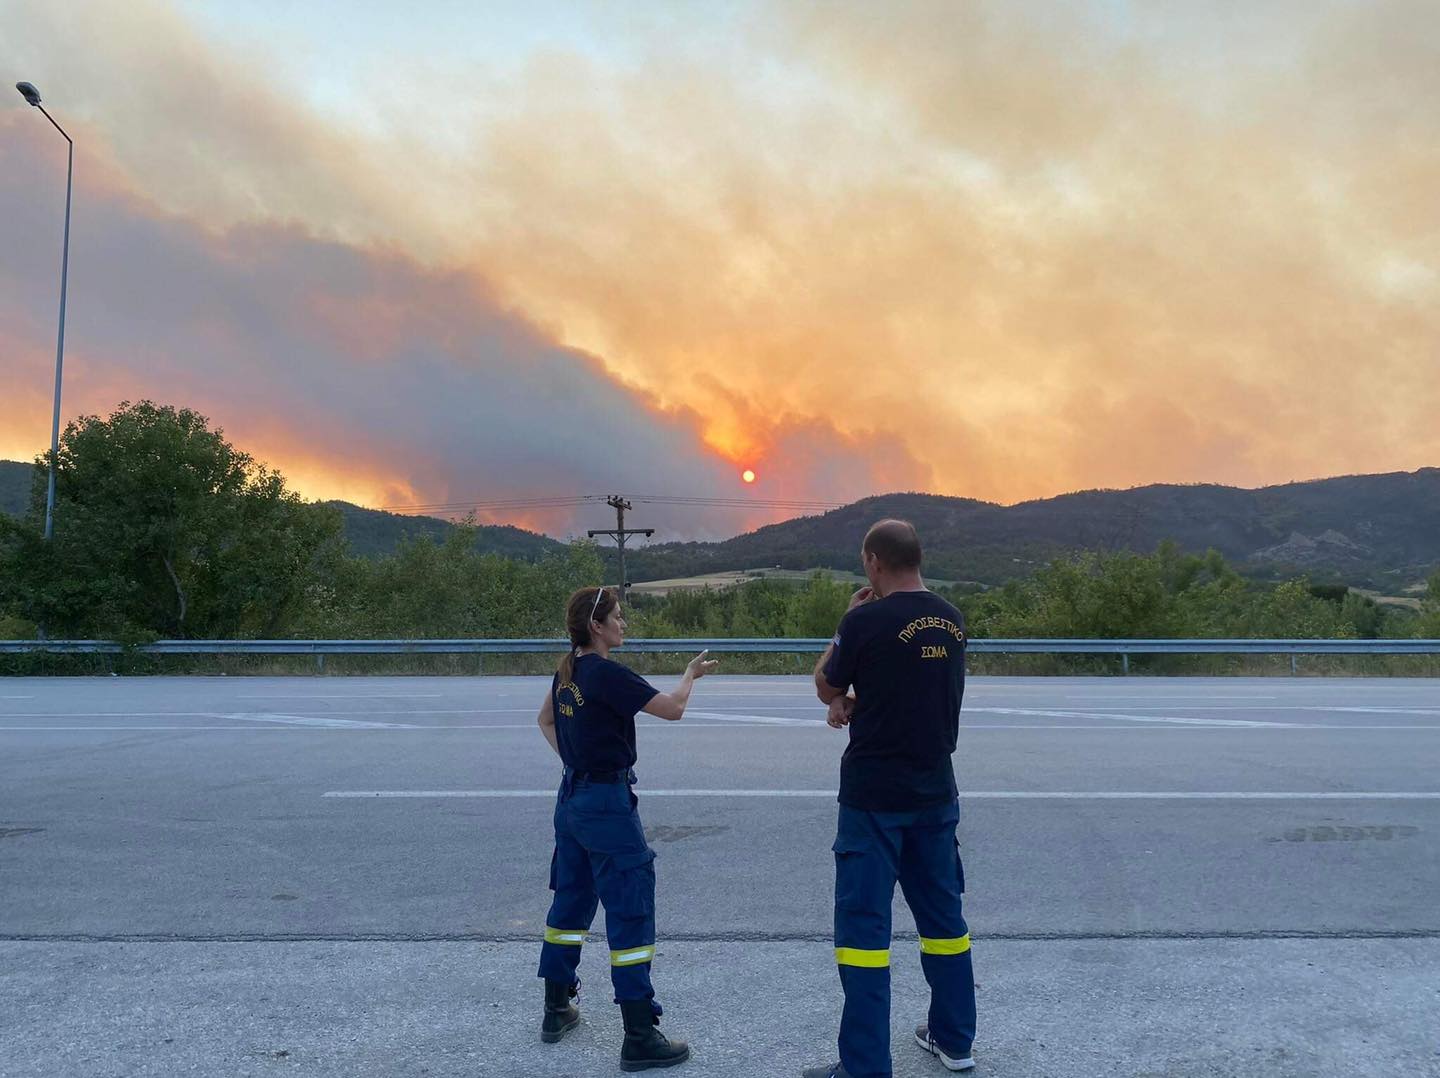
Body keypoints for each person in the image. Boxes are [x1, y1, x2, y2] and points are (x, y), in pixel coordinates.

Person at [802, 520, 977, 1078]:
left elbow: (825, 685)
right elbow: (912, 690)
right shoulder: (952, 619)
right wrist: (862, 700)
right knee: (945, 923)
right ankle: (954, 1040)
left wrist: (846, 626)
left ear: (874, 561)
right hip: (934, 791)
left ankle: (864, 1067)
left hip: (874, 798)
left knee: (864, 937)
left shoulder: (866, 620)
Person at [535, 584, 717, 1072]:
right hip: (605, 804)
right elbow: (673, 708)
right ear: (597, 626)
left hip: (572, 798)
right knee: (631, 911)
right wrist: (689, 675)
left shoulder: (568, 669)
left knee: (571, 900)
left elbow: (545, 720)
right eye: (617, 616)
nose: (624, 624)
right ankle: (639, 1034)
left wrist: (576, 764)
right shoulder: (607, 674)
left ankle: (556, 1008)